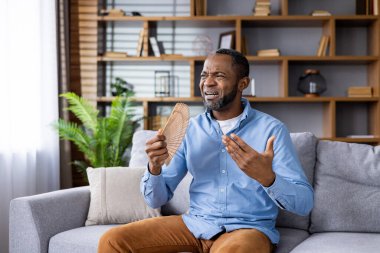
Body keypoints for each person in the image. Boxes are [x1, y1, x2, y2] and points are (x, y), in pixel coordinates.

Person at [98, 48, 314, 253]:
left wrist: (268, 178)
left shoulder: (272, 130)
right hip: (195, 224)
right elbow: (156, 199)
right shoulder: (190, 129)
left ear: (243, 83)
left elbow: (304, 204)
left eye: (219, 75)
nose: (208, 82)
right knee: (113, 241)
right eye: (204, 75)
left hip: (247, 229)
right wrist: (154, 167)